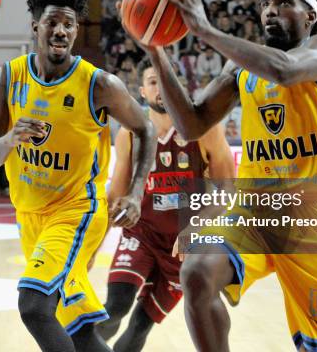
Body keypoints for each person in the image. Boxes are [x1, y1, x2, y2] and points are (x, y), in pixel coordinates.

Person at [141, 0, 317, 351]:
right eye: (265, 4)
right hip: (253, 211)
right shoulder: (240, 67)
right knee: (197, 271)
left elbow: (285, 71)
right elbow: (190, 125)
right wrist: (157, 53)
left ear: (310, 15)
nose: (271, 10)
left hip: (312, 220)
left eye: (284, 2)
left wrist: (204, 29)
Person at [0, 0, 157, 352]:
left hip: (77, 211)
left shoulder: (99, 84)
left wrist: (136, 192)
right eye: (53, 23)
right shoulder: (8, 78)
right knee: (78, 330)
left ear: (75, 30)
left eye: (69, 24)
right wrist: (11, 139)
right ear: (36, 26)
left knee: (34, 305)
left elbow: (145, 128)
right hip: (30, 217)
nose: (61, 31)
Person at [96, 58, 234, 351]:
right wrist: (92, 248)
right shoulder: (129, 134)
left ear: (180, 88)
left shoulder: (206, 129)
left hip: (184, 247)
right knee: (116, 306)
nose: (161, 87)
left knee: (140, 326)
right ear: (142, 92)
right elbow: (115, 197)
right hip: (142, 234)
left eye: (167, 80)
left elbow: (228, 191)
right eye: (153, 81)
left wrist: (195, 228)